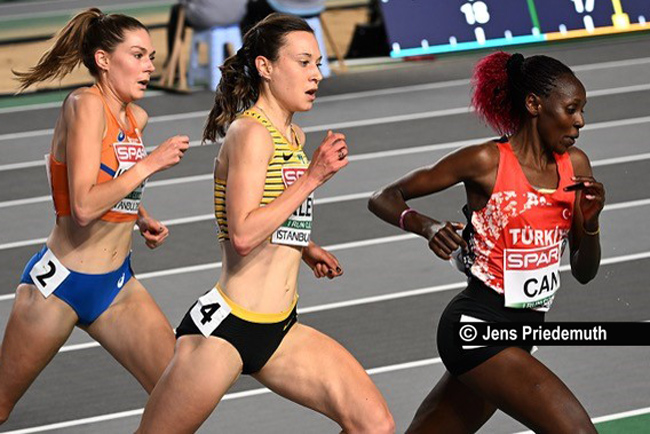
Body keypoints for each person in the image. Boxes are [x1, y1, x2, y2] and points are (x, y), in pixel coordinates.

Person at [136, 13, 394, 434]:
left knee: (374, 424)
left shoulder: (294, 137)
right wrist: (312, 178)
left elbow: (271, 211)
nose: (316, 74)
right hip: (227, 328)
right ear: (265, 67)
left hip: (280, 327)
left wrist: (304, 247)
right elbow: (242, 234)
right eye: (303, 62)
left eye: (317, 63)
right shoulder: (250, 133)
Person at [368, 51, 605, 433]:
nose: (580, 121)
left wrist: (590, 224)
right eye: (571, 109)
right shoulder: (486, 161)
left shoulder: (575, 166)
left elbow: (585, 271)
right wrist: (426, 226)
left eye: (582, 110)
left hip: (522, 334)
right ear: (534, 104)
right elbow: (383, 196)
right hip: (477, 328)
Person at [1, 8, 189, 424]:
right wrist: (151, 163)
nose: (150, 66)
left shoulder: (136, 117)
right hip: (61, 284)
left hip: (116, 285)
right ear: (103, 60)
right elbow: (84, 206)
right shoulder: (84, 104)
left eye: (151, 57)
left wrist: (140, 215)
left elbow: (110, 177)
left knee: (180, 395)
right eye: (137, 56)